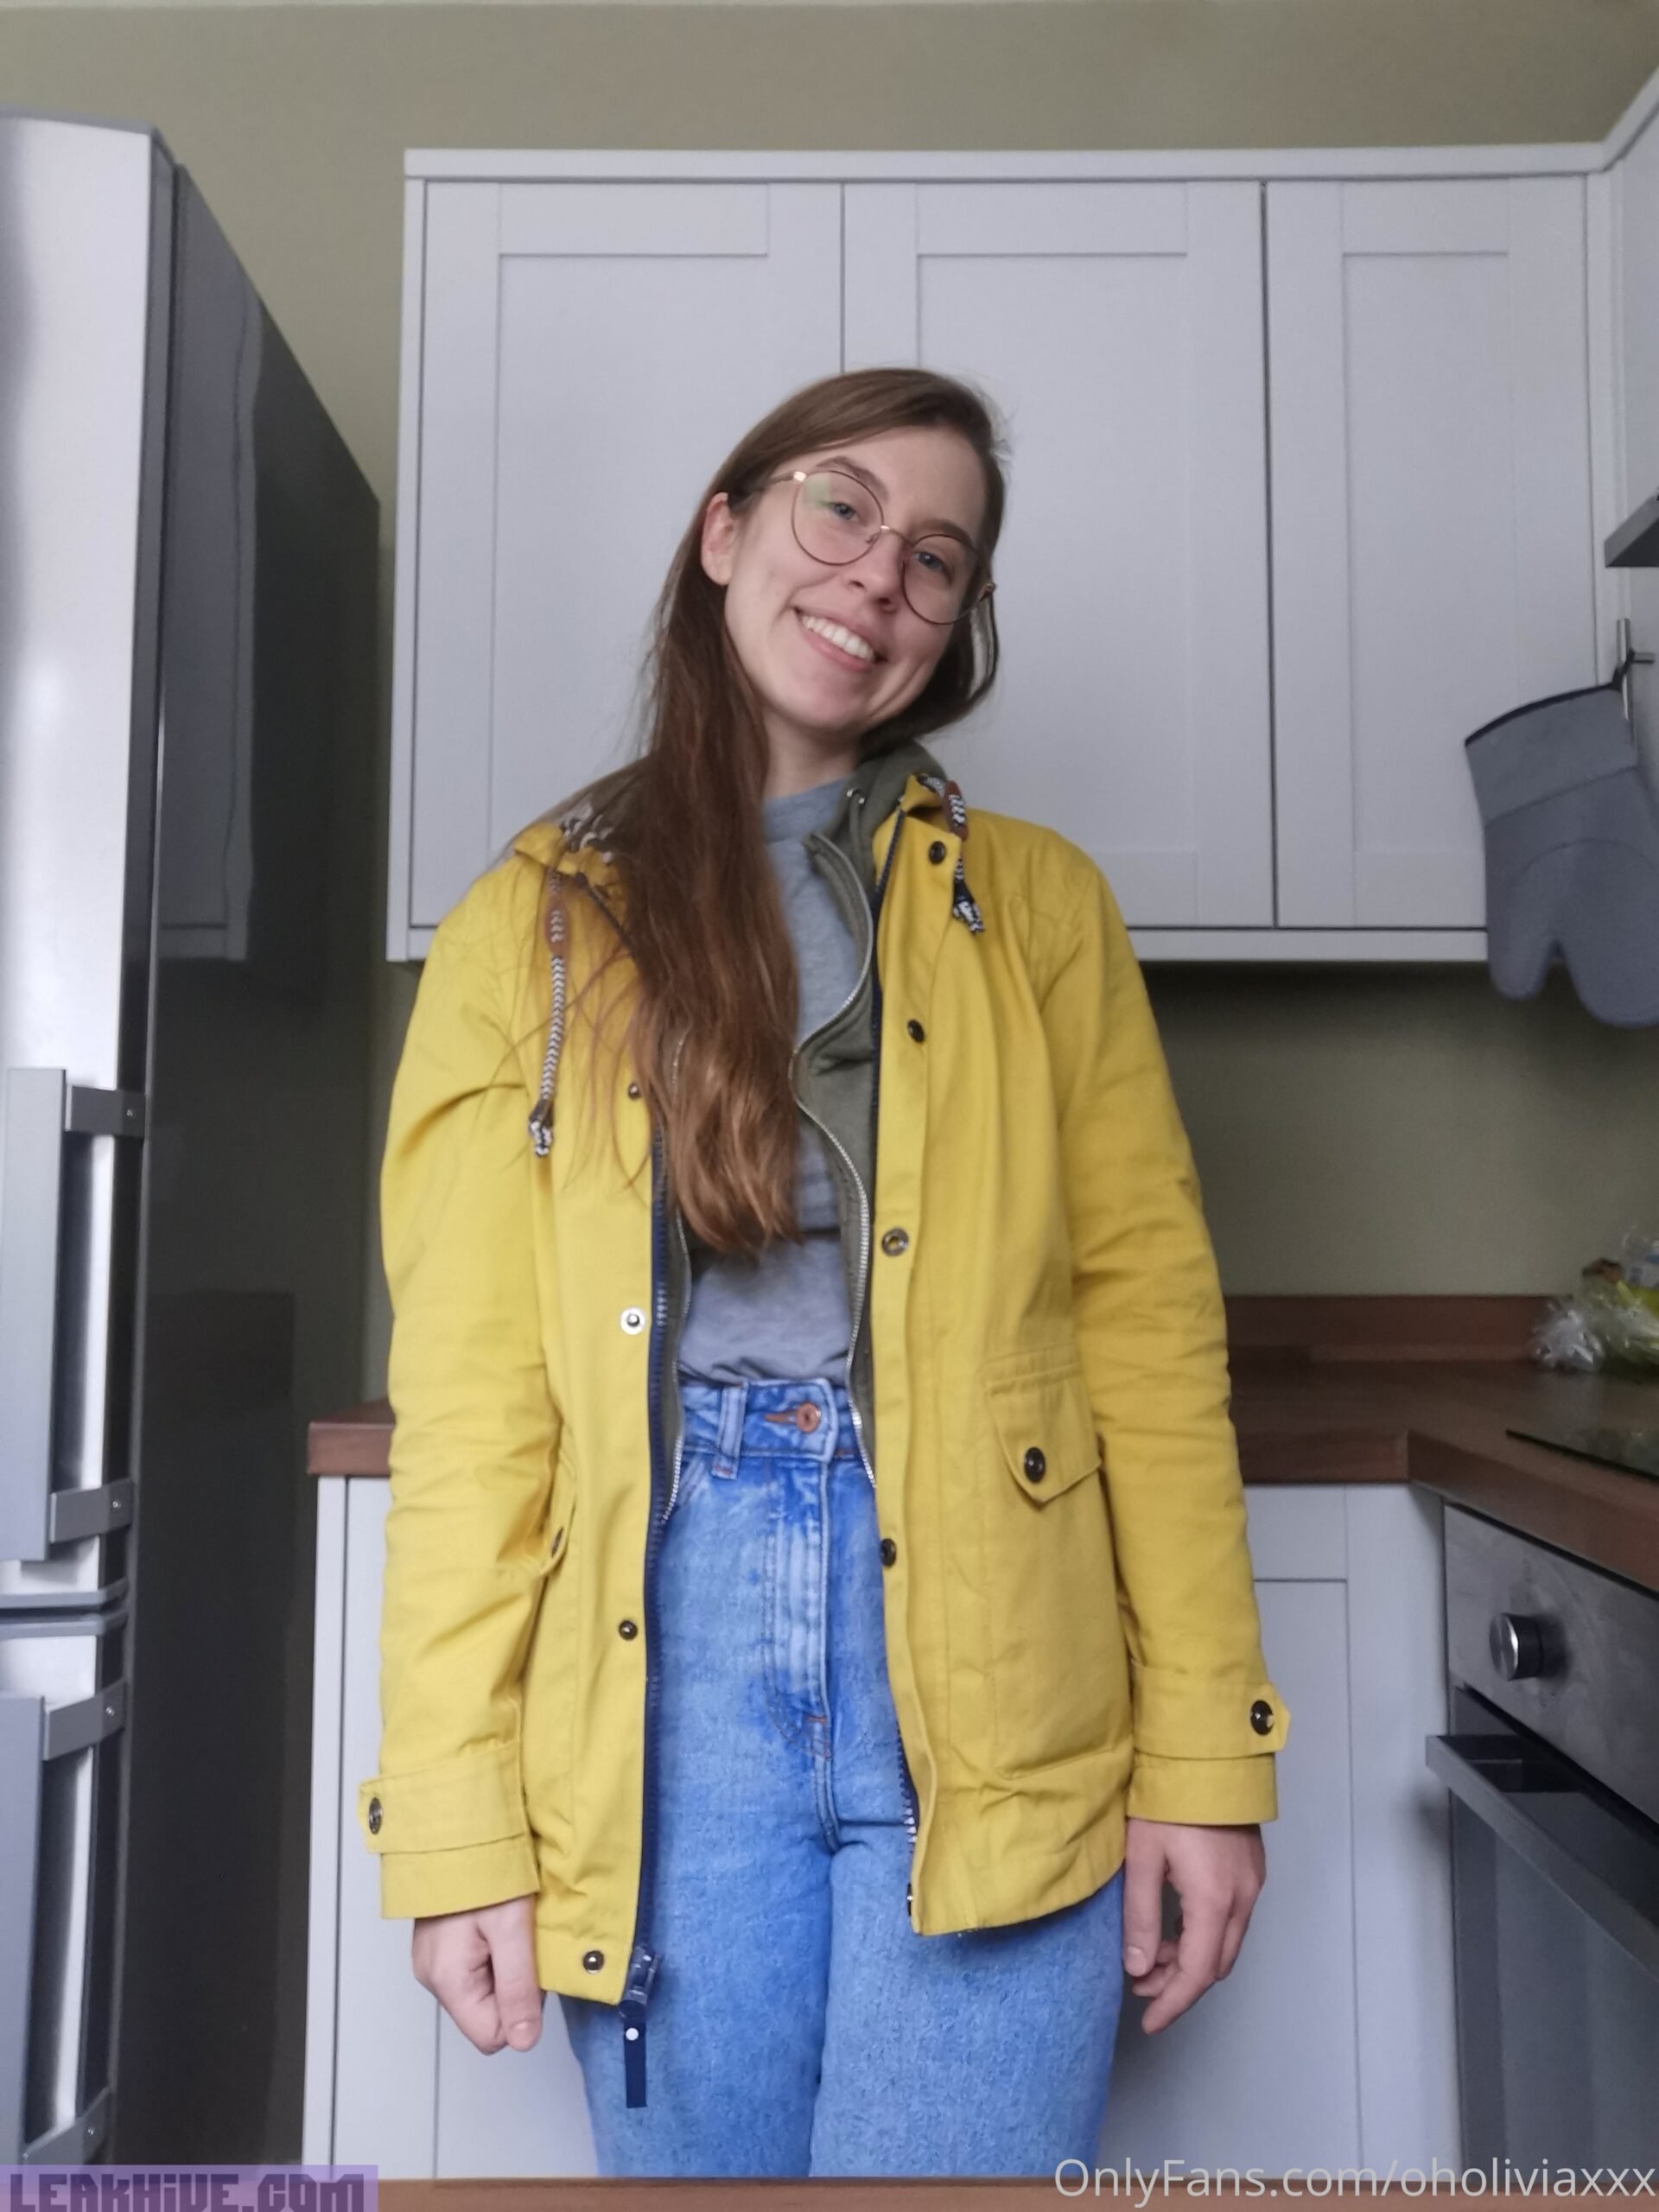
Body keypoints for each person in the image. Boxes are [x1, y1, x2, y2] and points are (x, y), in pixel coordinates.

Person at [357, 365, 1291, 2179]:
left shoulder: (1041, 910)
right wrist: (453, 1822)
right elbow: (473, 1411)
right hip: (664, 1652)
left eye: (936, 557)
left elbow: (1150, 1350)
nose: (880, 572)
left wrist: (1204, 1753)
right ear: (725, 532)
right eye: (841, 506)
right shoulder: (526, 926)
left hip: (1004, 1642)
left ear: (952, 626)